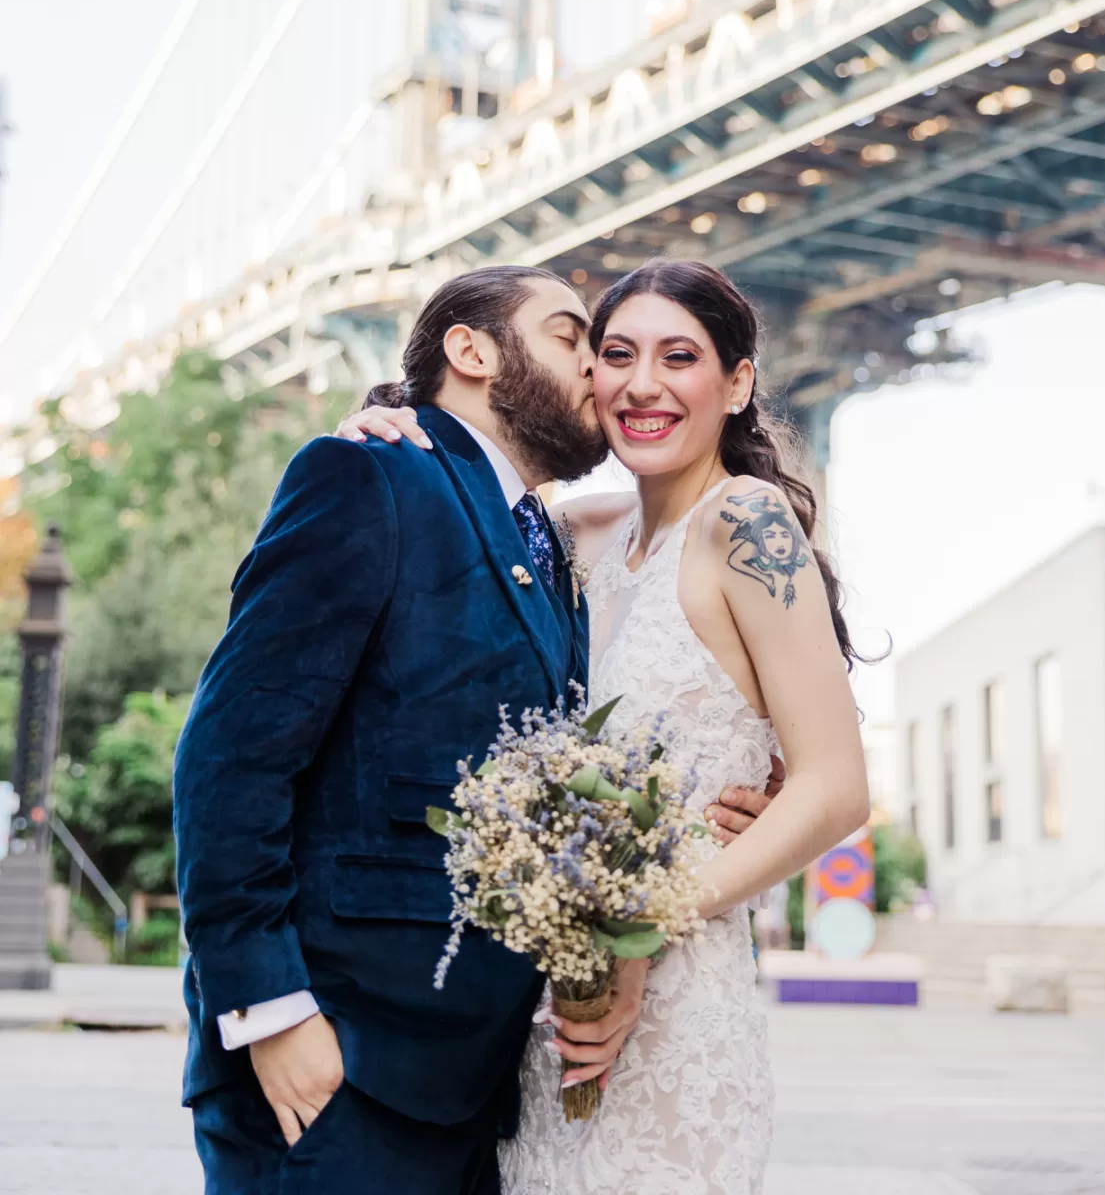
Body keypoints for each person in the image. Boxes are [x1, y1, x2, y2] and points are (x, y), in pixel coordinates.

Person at [174, 263, 771, 1195]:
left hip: (484, 1091)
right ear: (472, 351)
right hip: (338, 1064)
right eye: (576, 339)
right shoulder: (367, 475)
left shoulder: (555, 550)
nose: (605, 374)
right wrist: (270, 1007)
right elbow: (228, 759)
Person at [342, 258, 870, 1193]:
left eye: (680, 357)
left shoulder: (747, 527)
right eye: (616, 353)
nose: (642, 384)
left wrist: (635, 923)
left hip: (678, 1005)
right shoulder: (572, 535)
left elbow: (834, 788)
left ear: (737, 383)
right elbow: (459, 483)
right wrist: (385, 426)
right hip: (546, 1014)